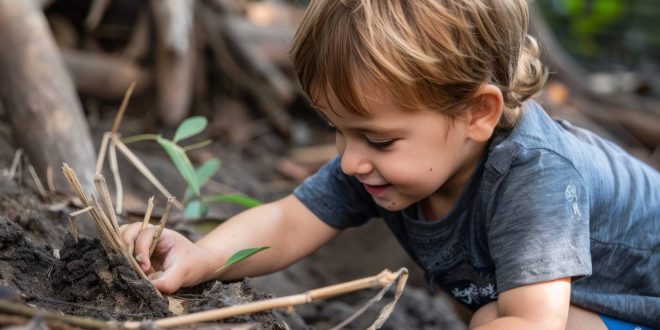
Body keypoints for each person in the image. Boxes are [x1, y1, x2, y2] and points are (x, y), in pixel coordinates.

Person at [121, 0, 660, 329]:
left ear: (478, 112)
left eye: (378, 140)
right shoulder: (390, 165)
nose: (350, 160)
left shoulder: (534, 177)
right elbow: (290, 220)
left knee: (499, 317)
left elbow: (535, 323)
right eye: (337, 129)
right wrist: (201, 257)